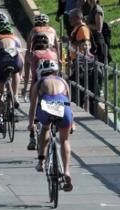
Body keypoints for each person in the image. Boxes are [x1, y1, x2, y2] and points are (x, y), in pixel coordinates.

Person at [28, 59, 75, 191]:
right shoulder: (64, 82)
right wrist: (73, 123)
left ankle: (41, 161)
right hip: (63, 107)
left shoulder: (39, 83)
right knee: (64, 140)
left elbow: (32, 107)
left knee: (45, 127)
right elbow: (69, 105)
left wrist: (31, 124)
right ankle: (66, 171)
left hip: (47, 106)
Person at [0, 21, 23, 133]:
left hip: (2, 60)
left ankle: (0, 119)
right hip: (15, 60)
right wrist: (21, 73)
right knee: (15, 72)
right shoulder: (16, 39)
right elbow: (21, 57)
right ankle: (15, 96)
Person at [24, 14, 60, 91]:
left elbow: (28, 48)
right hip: (51, 54)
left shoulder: (34, 30)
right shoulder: (52, 30)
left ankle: (26, 85)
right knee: (56, 73)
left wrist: (28, 56)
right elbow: (57, 45)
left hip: (37, 54)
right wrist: (59, 58)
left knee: (28, 65)